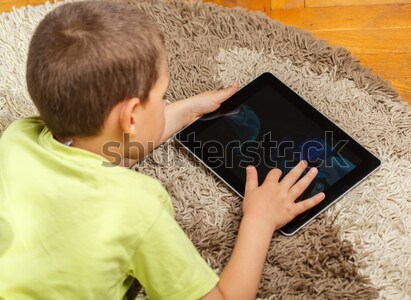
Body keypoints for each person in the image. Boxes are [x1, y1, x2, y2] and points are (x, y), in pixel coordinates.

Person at [0, 1, 325, 299]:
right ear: (130, 117)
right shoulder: (137, 207)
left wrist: (184, 113)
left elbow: (103, 152)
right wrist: (259, 219)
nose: (166, 102)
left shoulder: (18, 138)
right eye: (162, 96)